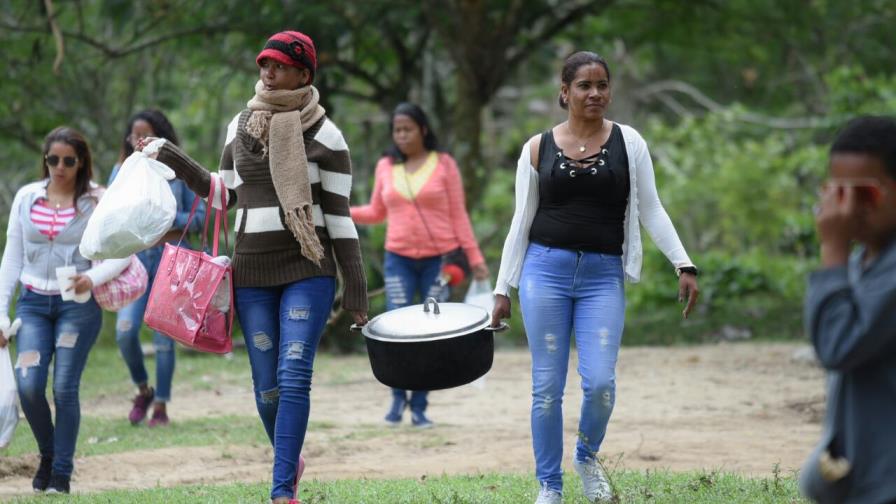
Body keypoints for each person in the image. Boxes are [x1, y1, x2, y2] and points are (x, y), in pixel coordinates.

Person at [135, 30, 368, 504]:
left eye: (279, 65)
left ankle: (282, 490)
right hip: (253, 275)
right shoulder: (240, 126)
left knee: (295, 372)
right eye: (264, 64)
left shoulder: (326, 135)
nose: (268, 72)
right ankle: (290, 458)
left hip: (309, 269)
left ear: (304, 74)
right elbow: (224, 195)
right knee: (266, 389)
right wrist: (173, 158)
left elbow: (340, 218)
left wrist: (357, 289)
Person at [490, 51, 699, 504]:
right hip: (544, 272)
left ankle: (587, 458)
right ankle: (549, 485)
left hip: (603, 276)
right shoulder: (536, 148)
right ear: (564, 92)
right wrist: (502, 288)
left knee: (601, 382)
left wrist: (683, 263)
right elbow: (519, 222)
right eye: (584, 85)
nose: (595, 94)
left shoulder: (630, 142)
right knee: (546, 388)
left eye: (602, 85)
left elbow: (651, 209)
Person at [0, 127, 130, 494]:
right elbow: (11, 259)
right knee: (29, 385)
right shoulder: (27, 198)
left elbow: (123, 251)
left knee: (64, 387)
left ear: (81, 163)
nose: (59, 167)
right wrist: (1, 315)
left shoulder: (97, 200)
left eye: (68, 161)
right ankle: (47, 454)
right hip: (33, 305)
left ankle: (61, 473)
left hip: (77, 305)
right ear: (45, 160)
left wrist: (94, 277)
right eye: (52, 159)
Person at [350, 102, 489, 428]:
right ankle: (397, 399)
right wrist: (338, 211)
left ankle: (421, 406)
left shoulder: (444, 165)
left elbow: (459, 216)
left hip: (440, 261)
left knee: (429, 333)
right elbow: (375, 212)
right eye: (397, 130)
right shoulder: (386, 166)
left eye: (407, 129)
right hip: (397, 258)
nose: (401, 135)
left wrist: (476, 259)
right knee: (396, 332)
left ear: (423, 130)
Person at [799, 116, 896, 504]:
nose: (849, 208)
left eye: (865, 194)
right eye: (837, 193)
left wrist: (832, 250)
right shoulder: (863, 262)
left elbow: (837, 346)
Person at [109, 109, 206, 427]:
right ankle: (143, 389)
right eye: (133, 135)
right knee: (125, 332)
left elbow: (201, 216)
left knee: (164, 338)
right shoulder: (121, 172)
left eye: (145, 135)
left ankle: (162, 404)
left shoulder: (180, 173)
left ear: (160, 138)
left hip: (171, 262)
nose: (138, 141)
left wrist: (165, 220)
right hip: (135, 262)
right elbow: (109, 216)